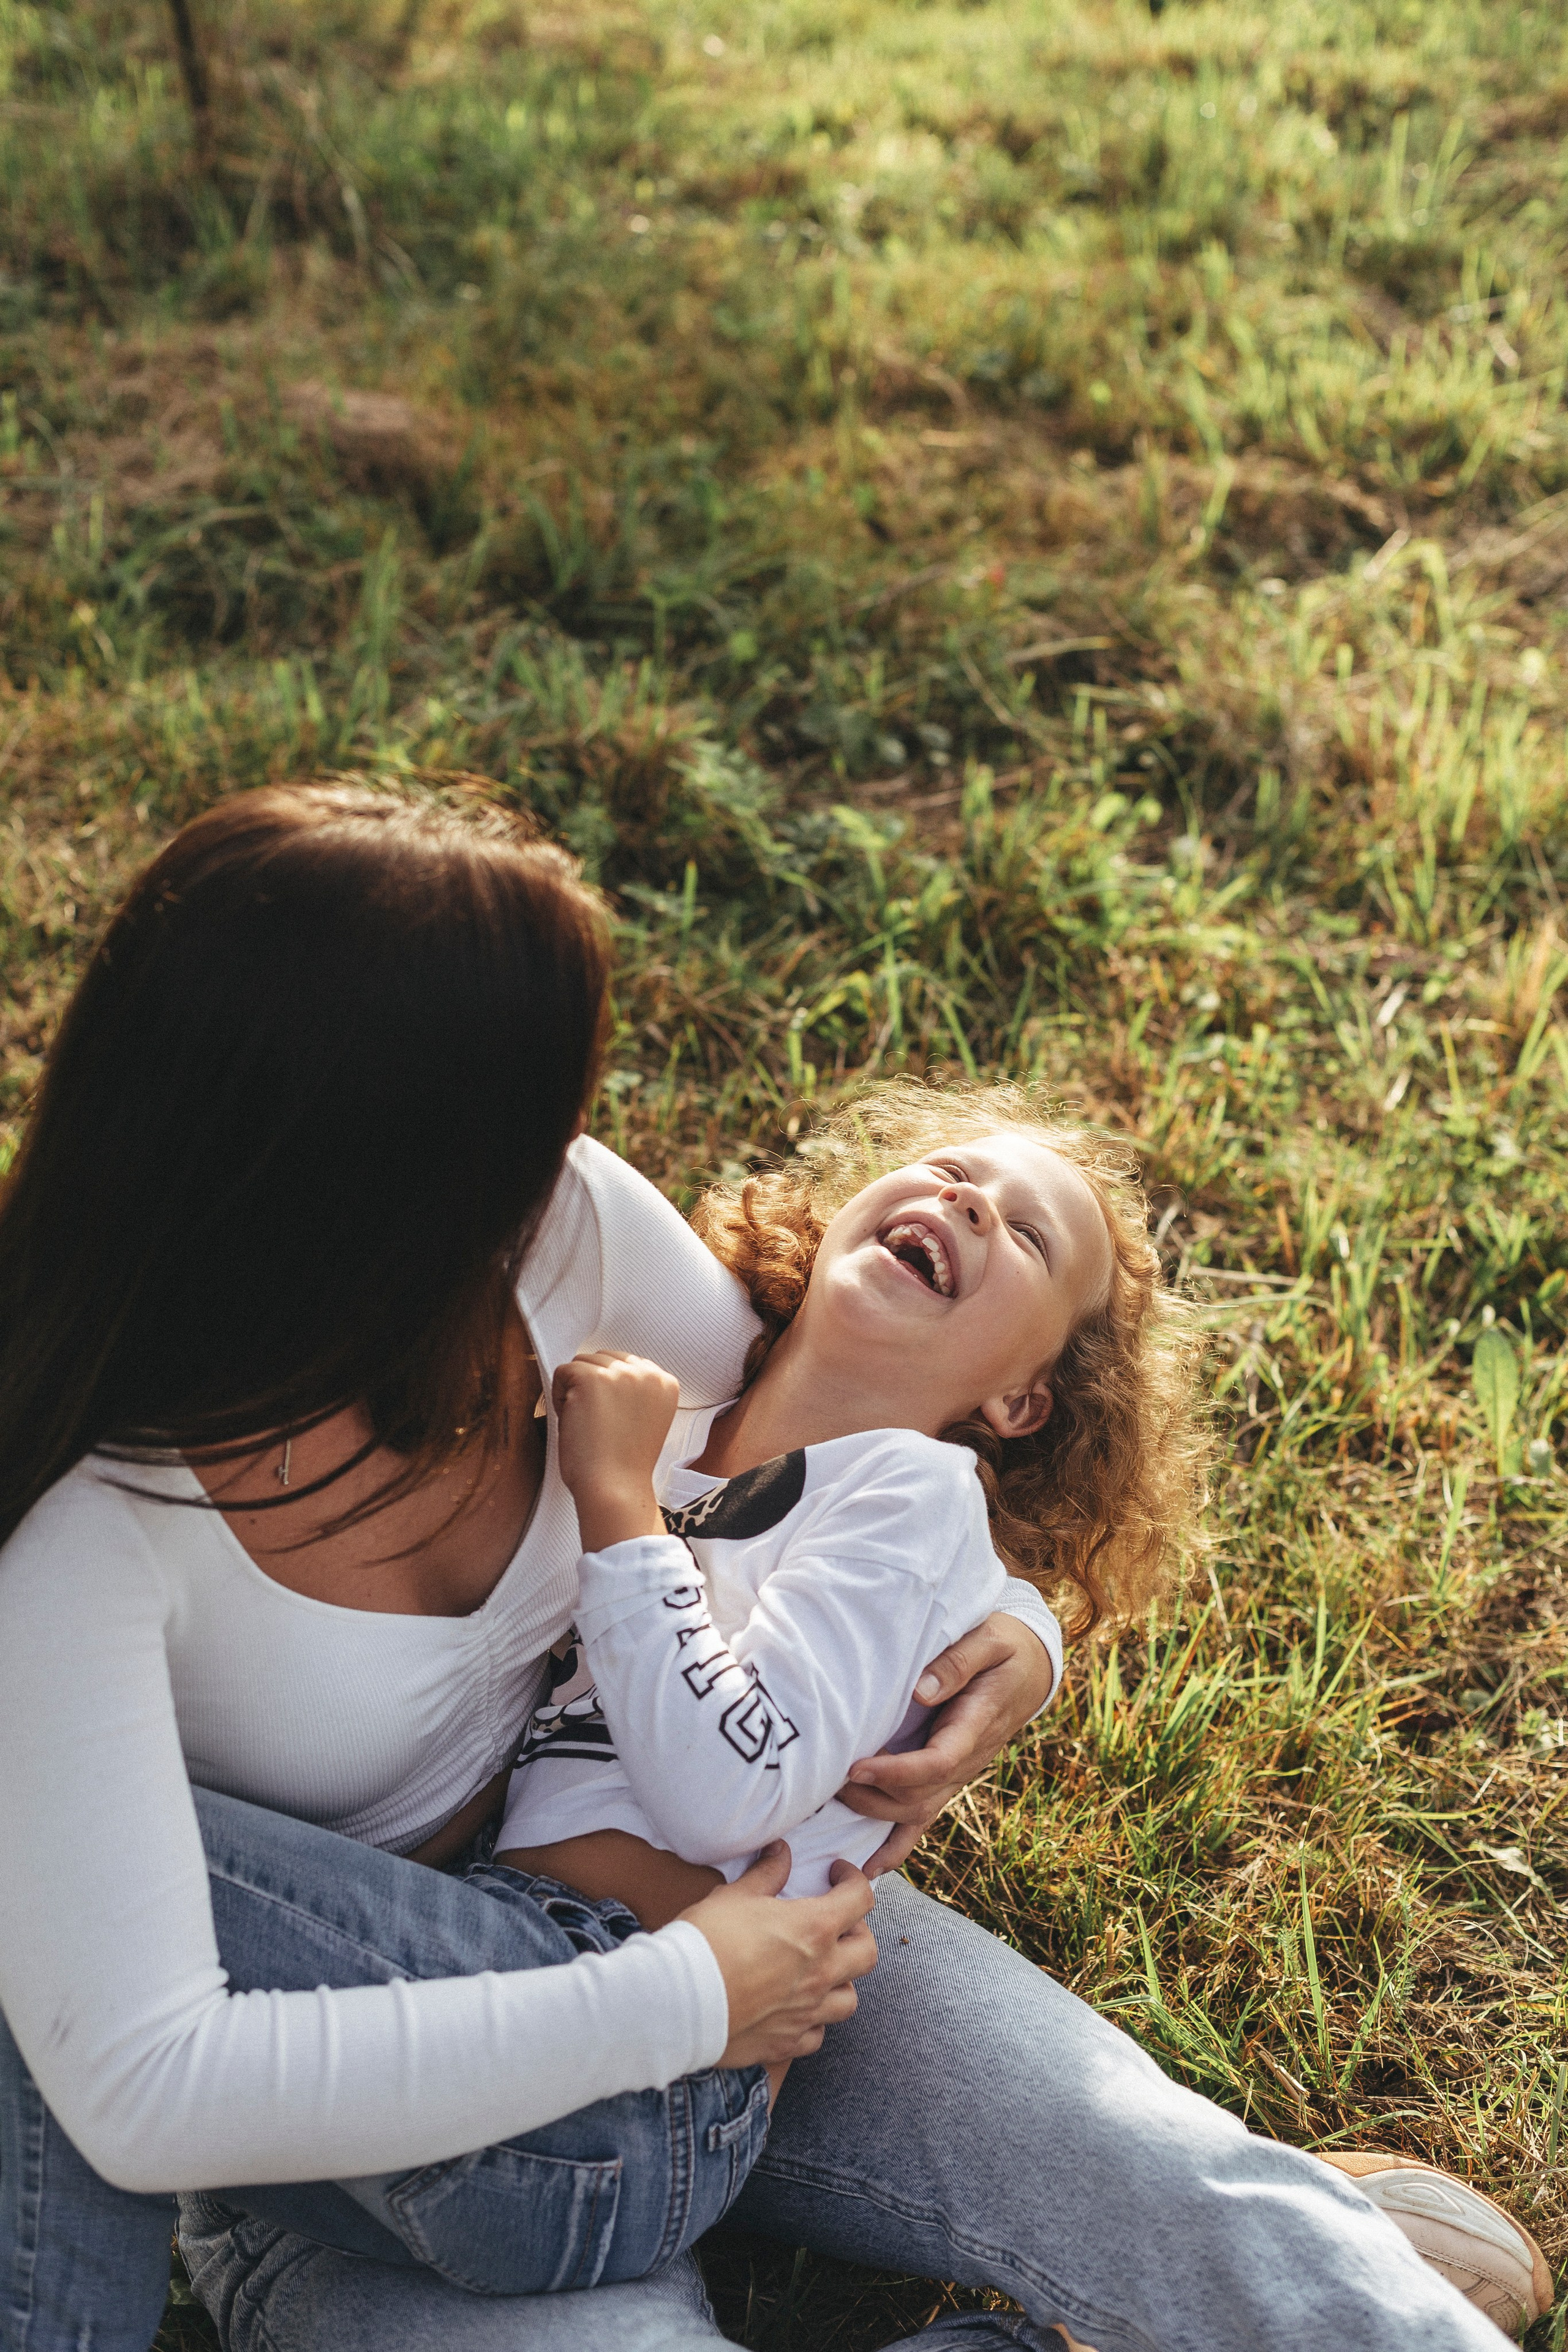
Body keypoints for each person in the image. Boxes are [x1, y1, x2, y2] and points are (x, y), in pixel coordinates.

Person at [0, 786, 1548, 2352]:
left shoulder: (549, 1237)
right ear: (349, 1161)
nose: (566, 1154)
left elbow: (831, 1424)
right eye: (525, 1118)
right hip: (378, 2112)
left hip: (745, 1933)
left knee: (1154, 2171)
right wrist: (684, 1992)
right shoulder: (84, 1542)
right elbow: (151, 2070)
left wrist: (1011, 1629)